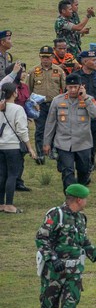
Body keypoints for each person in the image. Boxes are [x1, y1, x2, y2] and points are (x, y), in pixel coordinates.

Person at [35, 184, 96, 308]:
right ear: (79, 200)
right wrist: (52, 258)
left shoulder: (81, 218)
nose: (86, 201)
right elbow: (42, 237)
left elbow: (83, 241)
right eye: (85, 198)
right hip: (54, 272)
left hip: (74, 273)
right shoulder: (56, 214)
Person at [44, 74, 96, 190]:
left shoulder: (89, 99)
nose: (73, 90)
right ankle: (70, 198)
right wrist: (47, 143)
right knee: (67, 171)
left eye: (75, 87)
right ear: (66, 87)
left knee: (84, 171)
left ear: (81, 87)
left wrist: (85, 99)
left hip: (83, 143)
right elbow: (50, 123)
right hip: (64, 143)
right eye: (70, 87)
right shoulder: (57, 100)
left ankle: (80, 194)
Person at [0, 83, 36, 214]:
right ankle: (9, 204)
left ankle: (1, 203)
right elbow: (22, 130)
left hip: (1, 146)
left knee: (2, 175)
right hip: (13, 146)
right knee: (12, 175)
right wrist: (30, 148)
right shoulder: (17, 109)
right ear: (14, 93)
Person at [27, 46, 66, 165]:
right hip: (39, 106)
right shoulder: (33, 71)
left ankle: (53, 151)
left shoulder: (59, 71)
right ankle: (40, 153)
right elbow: (28, 90)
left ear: (52, 57)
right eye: (43, 57)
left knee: (55, 128)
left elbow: (63, 89)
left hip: (54, 104)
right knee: (40, 129)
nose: (45, 60)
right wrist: (31, 105)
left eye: (47, 57)